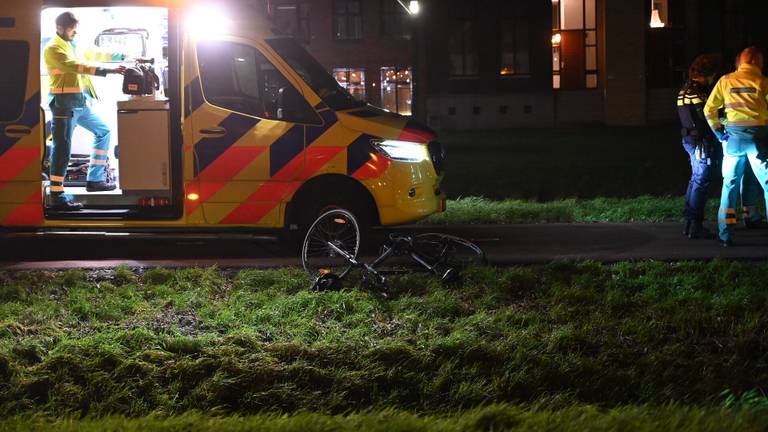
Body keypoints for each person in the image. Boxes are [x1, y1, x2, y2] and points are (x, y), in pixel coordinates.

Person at [44, 11, 126, 210]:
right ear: (60, 28)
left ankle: (95, 180)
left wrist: (123, 56)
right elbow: (75, 66)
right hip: (64, 104)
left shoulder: (75, 44)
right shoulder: (53, 48)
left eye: (75, 28)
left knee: (104, 131)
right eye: (72, 29)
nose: (75, 32)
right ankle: (57, 195)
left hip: (81, 103)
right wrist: (108, 71)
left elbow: (96, 53)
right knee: (62, 149)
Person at [704, 46, 768, 246]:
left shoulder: (725, 81)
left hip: (733, 142)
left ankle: (725, 234)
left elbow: (709, 109)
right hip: (758, 141)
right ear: (756, 61)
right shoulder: (763, 82)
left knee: (730, 185)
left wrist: (718, 133)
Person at [677, 54, 720, 239]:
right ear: (707, 73)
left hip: (689, 139)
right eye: (713, 75)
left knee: (696, 179)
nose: (713, 79)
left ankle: (689, 223)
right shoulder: (697, 92)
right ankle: (695, 225)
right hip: (699, 141)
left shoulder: (685, 89)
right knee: (701, 181)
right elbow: (705, 116)